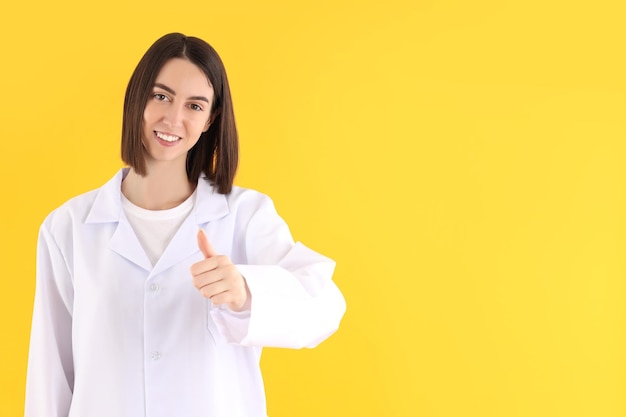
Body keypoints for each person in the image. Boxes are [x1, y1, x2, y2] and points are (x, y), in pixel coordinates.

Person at [25, 32, 346, 417]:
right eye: (161, 96)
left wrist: (246, 292)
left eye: (194, 105)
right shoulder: (68, 228)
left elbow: (325, 307)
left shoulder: (245, 215)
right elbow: (51, 376)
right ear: (137, 98)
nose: (173, 118)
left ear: (210, 119)